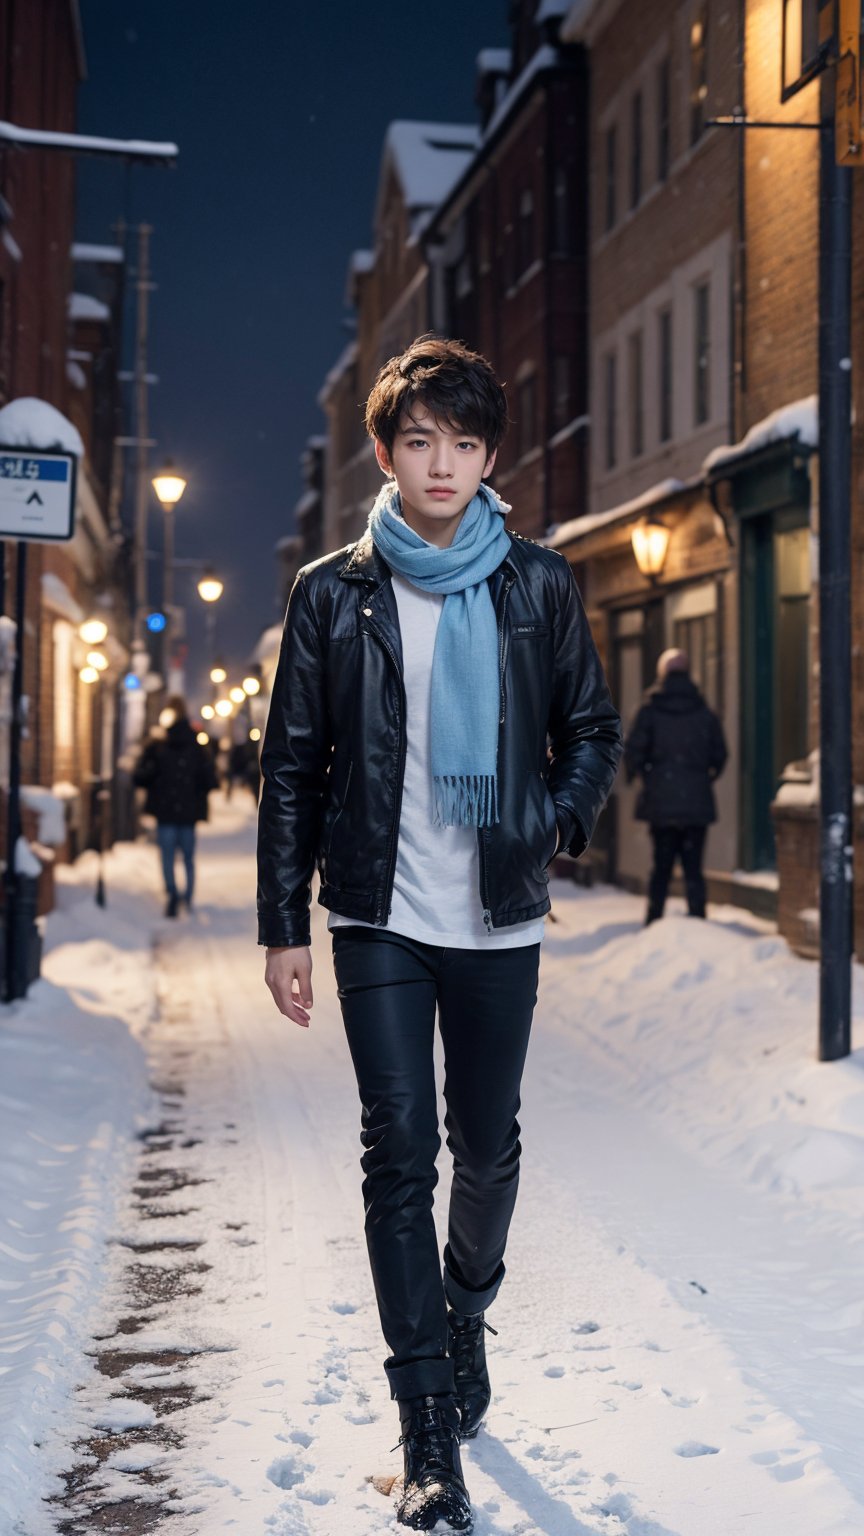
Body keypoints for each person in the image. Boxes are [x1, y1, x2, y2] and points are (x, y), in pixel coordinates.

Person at [257, 335, 622, 1533]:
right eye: (421, 442)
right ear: (385, 451)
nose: (443, 464)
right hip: (378, 913)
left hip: (496, 914)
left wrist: (550, 822)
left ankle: (467, 1310)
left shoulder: (538, 583)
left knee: (490, 1146)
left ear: (490, 454)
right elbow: (294, 772)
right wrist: (284, 926)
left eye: (465, 444)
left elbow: (591, 731)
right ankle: (426, 1432)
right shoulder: (332, 592)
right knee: (398, 1150)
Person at [624, 648, 727, 926]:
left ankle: (654, 920)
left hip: (661, 802)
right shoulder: (704, 711)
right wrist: (702, 777)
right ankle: (698, 919)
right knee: (694, 868)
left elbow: (633, 752)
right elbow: (720, 755)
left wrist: (646, 776)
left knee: (661, 867)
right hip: (695, 803)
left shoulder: (649, 710)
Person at [133, 695, 217, 917]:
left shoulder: (159, 746)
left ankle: (173, 894)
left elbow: (140, 776)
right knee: (188, 858)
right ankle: (187, 897)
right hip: (187, 812)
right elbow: (209, 779)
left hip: (166, 810)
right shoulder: (196, 744)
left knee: (168, 856)